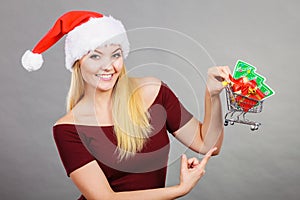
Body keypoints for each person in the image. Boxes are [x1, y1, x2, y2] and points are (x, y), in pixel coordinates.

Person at [21, 10, 230, 200]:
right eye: (95, 56)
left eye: (115, 54)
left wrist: (211, 94)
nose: (108, 66)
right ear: (78, 63)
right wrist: (180, 189)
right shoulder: (68, 129)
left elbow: (207, 144)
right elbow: (104, 198)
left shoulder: (153, 92)